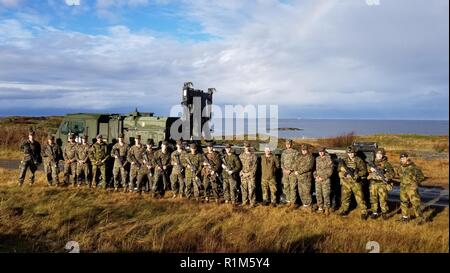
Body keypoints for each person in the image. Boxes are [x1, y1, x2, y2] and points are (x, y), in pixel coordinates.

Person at [338, 146, 369, 220]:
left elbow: (364, 171)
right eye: (349, 153)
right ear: (347, 153)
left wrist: (357, 175)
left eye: (352, 153)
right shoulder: (344, 160)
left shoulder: (359, 160)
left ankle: (364, 212)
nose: (351, 154)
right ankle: (345, 210)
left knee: (360, 198)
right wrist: (344, 174)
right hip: (346, 182)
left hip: (356, 182)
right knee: (345, 197)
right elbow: (339, 170)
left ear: (354, 153)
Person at [395, 152, 426, 223]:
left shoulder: (413, 167)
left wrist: (416, 183)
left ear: (407, 158)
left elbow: (421, 176)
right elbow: (399, 175)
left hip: (412, 189)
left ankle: (420, 218)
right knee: (403, 203)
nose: (402, 159)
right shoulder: (400, 167)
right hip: (403, 188)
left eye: (404, 158)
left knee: (415, 203)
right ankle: (405, 217)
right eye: (401, 158)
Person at [368, 148, 395, 220]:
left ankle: (384, 212)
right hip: (373, 183)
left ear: (383, 155)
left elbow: (392, 173)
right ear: (375, 154)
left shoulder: (386, 163)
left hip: (382, 184)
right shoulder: (372, 162)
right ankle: (375, 212)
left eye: (381, 154)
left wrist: (387, 177)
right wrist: (370, 169)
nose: (379, 155)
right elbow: (366, 170)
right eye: (378, 154)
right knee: (373, 198)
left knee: (383, 199)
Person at [294, 144, 314, 212]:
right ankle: (304, 205)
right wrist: (295, 170)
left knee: (307, 192)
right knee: (301, 192)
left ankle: (309, 207)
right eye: (303, 150)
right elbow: (296, 164)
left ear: (307, 150)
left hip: (306, 178)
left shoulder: (310, 157)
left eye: (305, 150)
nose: (304, 151)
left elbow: (309, 167)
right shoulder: (299, 156)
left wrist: (299, 171)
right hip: (299, 178)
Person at [313, 147, 333, 215]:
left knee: (326, 194)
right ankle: (320, 208)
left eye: (322, 151)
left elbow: (330, 171)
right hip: (318, 180)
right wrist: (316, 176)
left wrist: (323, 178)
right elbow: (315, 169)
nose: (321, 153)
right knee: (318, 194)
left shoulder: (328, 159)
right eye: (319, 152)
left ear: (324, 151)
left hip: (325, 180)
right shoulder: (317, 159)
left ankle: (327, 208)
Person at [239, 142, 258, 207]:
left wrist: (248, 174)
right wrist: (242, 173)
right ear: (244, 147)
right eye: (245, 147)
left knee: (251, 189)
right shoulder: (241, 156)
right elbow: (239, 166)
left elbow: (255, 167)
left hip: (250, 176)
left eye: (248, 146)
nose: (247, 148)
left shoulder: (254, 156)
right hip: (243, 175)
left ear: (250, 147)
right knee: (244, 189)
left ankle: (252, 203)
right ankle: (244, 201)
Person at [281, 139, 298, 205]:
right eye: (287, 144)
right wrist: (284, 169)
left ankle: (293, 202)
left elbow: (296, 162)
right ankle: (288, 201)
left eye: (289, 144)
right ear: (286, 144)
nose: (288, 145)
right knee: (286, 187)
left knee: (293, 187)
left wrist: (290, 170)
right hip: (285, 173)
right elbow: (282, 162)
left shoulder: (295, 152)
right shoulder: (283, 152)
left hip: (292, 173)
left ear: (291, 144)